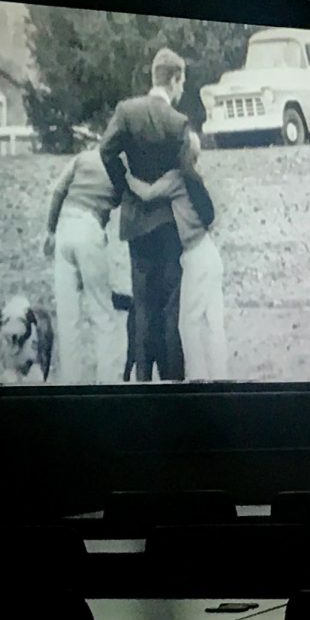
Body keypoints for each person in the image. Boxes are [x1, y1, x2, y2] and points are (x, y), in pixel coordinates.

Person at [99, 47, 189, 382]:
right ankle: (172, 381)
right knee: (169, 308)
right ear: (174, 79)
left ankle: (142, 381)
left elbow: (106, 151)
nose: (181, 91)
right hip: (169, 223)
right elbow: (185, 176)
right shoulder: (177, 122)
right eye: (181, 83)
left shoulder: (126, 112)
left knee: (143, 305)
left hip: (136, 222)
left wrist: (125, 188)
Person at [123, 130, 228, 380]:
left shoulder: (176, 178)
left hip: (194, 256)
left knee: (187, 324)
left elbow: (146, 194)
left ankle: (197, 378)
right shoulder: (194, 178)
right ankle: (221, 376)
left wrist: (125, 173)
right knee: (213, 322)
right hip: (209, 252)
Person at [43, 143, 122, 384]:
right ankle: (108, 381)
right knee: (103, 313)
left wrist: (50, 230)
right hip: (90, 227)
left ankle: (71, 382)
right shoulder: (121, 167)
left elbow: (57, 191)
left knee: (68, 317)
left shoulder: (82, 158)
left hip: (66, 226)